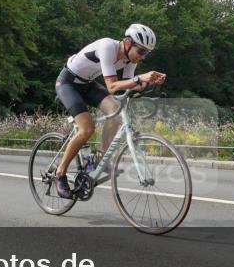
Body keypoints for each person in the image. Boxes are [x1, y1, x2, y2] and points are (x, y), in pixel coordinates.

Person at [52, 23, 167, 198]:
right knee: (87, 129)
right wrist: (140, 78)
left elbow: (128, 85)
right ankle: (59, 173)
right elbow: (112, 86)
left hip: (88, 84)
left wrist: (147, 82)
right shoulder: (107, 47)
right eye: (141, 51)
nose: (143, 56)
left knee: (115, 110)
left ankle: (102, 158)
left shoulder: (130, 59)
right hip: (68, 83)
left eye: (147, 53)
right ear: (128, 43)